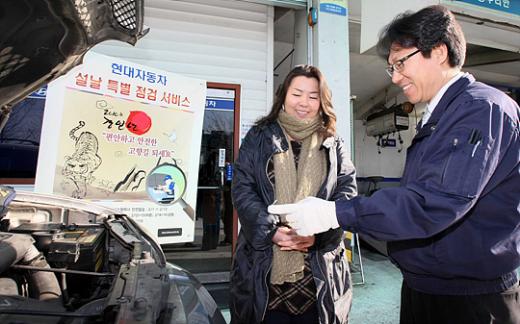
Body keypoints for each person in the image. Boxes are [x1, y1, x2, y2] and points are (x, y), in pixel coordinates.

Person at [269, 5, 520, 324]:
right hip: (427, 287)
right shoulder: (441, 116)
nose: (396, 77)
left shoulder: (481, 111)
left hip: (469, 301)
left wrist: (332, 213)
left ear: (439, 52)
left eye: (401, 63)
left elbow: (434, 203)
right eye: (392, 68)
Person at [230, 65, 357, 324]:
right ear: (284, 96)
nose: (304, 103)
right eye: (297, 94)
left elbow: (347, 191)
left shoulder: (332, 143)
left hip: (319, 275)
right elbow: (243, 189)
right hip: (264, 271)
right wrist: (271, 231)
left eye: (313, 96)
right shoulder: (259, 137)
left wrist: (317, 234)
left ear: (322, 102)